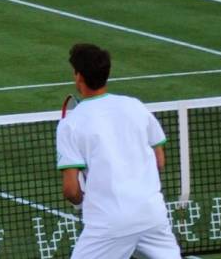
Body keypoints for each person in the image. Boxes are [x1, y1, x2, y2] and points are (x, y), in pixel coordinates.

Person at [56, 43, 182, 259]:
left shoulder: (70, 124)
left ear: (79, 77)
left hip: (109, 224)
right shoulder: (135, 105)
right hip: (151, 215)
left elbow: (70, 190)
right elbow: (159, 161)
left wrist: (80, 200)